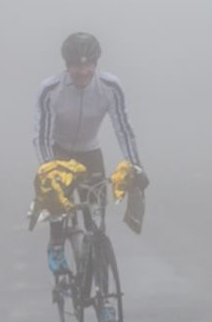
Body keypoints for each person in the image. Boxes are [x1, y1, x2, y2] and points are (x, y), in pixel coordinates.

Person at [33, 32, 146, 274]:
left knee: (96, 218)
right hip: (59, 151)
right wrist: (49, 168)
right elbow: (42, 136)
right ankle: (55, 247)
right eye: (76, 65)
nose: (83, 71)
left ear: (95, 65)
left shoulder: (110, 87)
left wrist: (136, 165)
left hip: (90, 151)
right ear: (67, 66)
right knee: (57, 201)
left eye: (88, 65)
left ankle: (101, 283)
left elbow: (123, 128)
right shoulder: (51, 90)